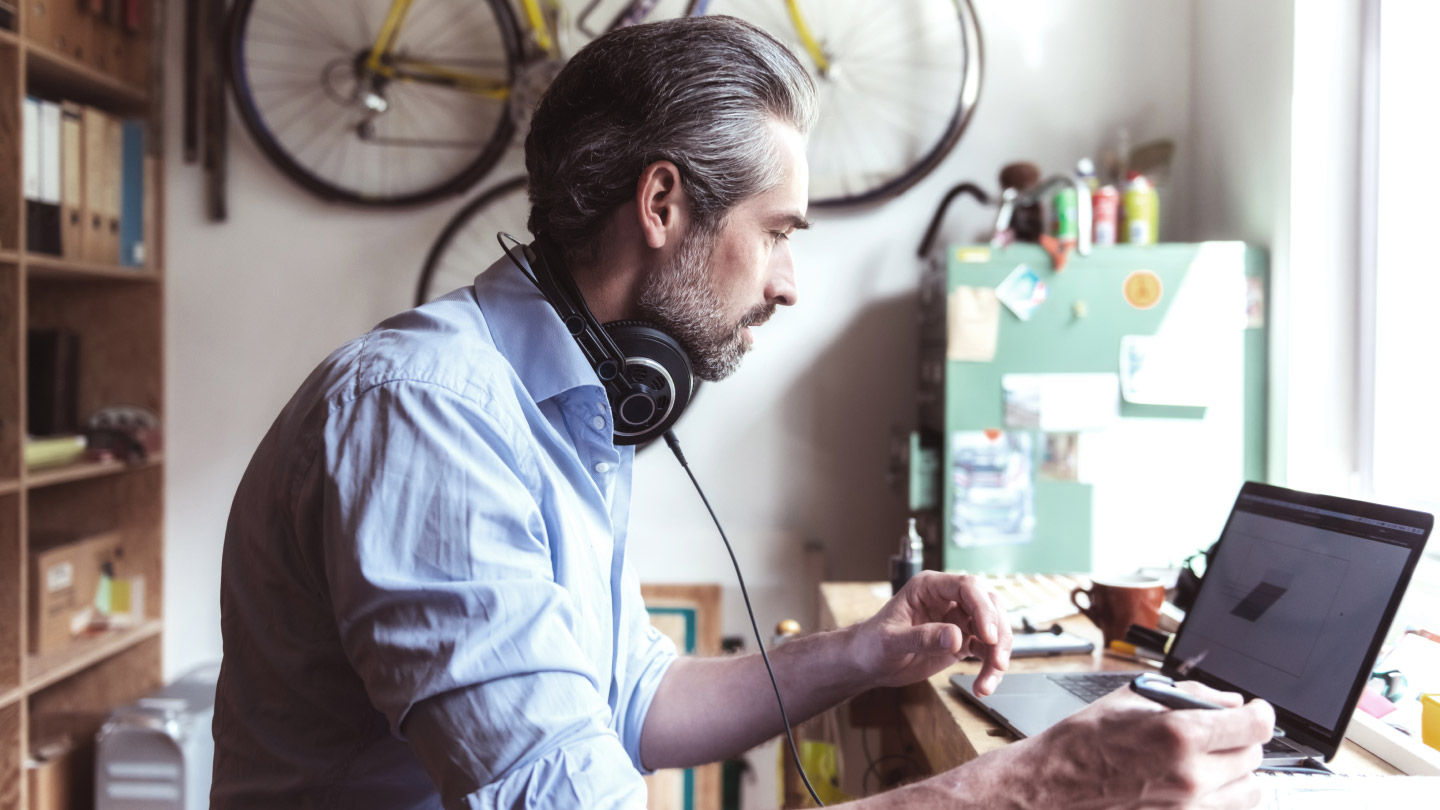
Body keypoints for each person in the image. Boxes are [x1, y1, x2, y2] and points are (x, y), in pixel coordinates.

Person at [211, 16, 1274, 810]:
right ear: (662, 204)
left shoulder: (572, 401)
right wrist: (1037, 782)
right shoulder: (429, 419)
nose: (790, 282)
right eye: (777, 233)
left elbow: (633, 701)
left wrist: (867, 650)